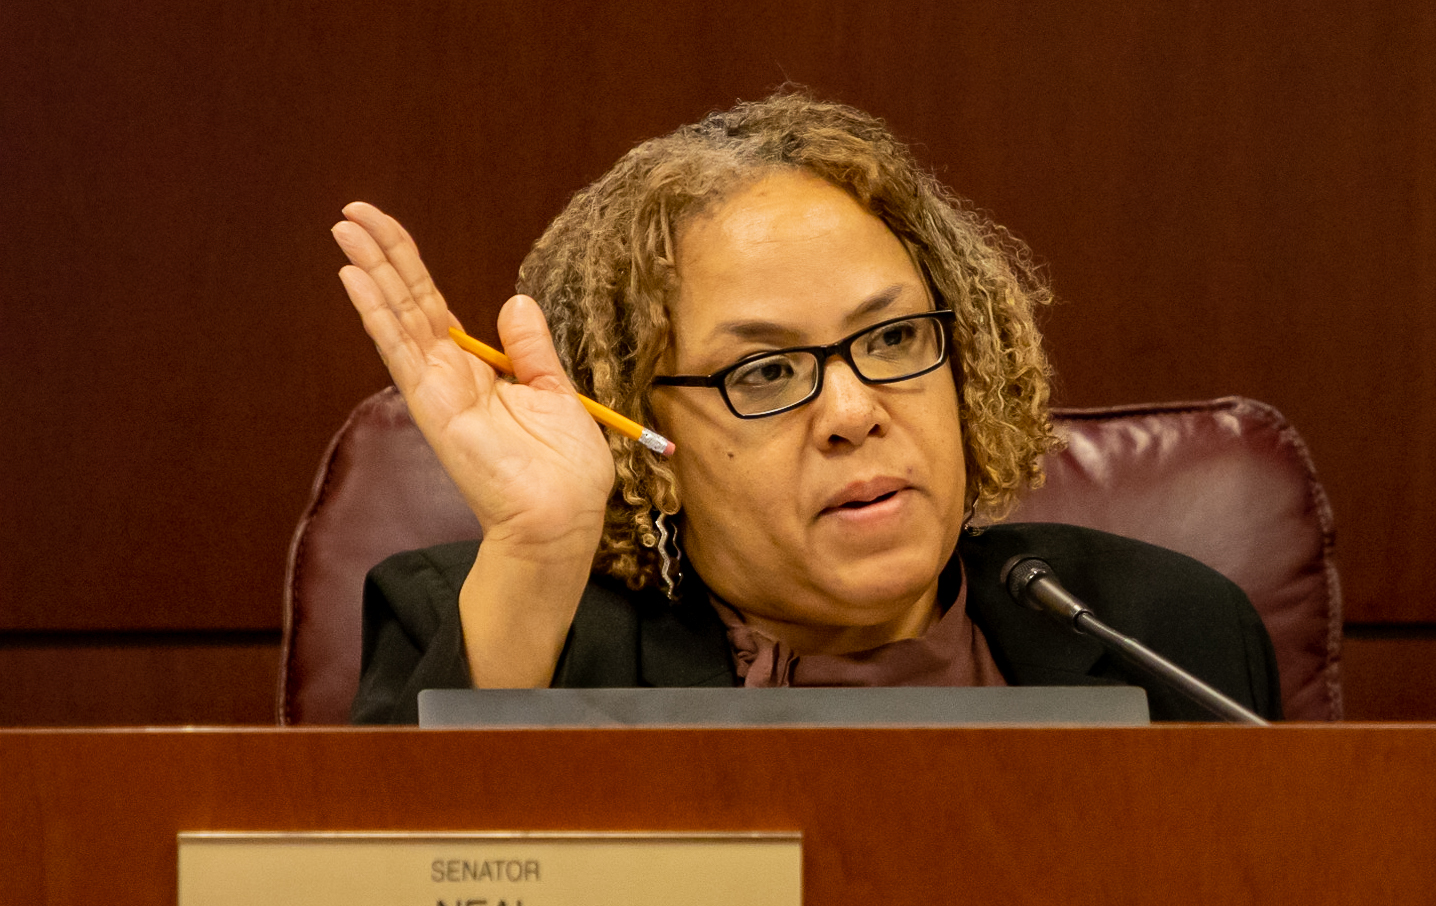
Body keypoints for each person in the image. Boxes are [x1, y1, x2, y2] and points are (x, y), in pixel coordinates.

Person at [333, 92, 1278, 723]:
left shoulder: (1169, 633)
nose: (853, 410)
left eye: (894, 338)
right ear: (644, 440)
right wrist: (537, 555)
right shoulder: (504, 626)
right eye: (769, 372)